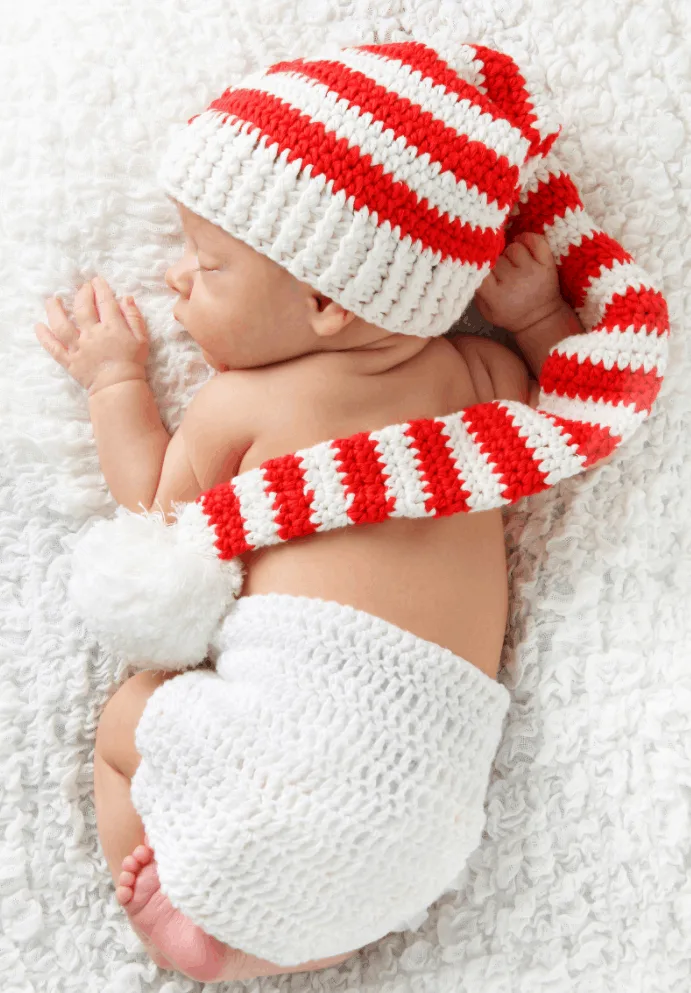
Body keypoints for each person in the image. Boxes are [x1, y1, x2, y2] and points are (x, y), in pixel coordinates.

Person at [35, 39, 667, 982]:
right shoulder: (476, 379)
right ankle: (314, 937)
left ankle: (181, 913)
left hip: (284, 751)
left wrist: (115, 382)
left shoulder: (241, 406)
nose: (173, 281)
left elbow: (156, 529)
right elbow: (555, 386)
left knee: (130, 717)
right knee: (347, 873)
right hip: (426, 808)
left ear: (325, 301)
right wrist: (536, 311)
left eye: (206, 267)